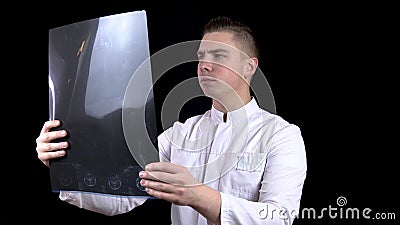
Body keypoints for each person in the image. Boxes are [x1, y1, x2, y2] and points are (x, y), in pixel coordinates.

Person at [36, 16, 307, 225]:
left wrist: (198, 195)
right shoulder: (179, 135)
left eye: (219, 56)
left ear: (250, 67)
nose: (205, 64)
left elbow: (279, 217)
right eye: (201, 56)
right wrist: (62, 166)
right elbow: (122, 198)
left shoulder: (281, 135)